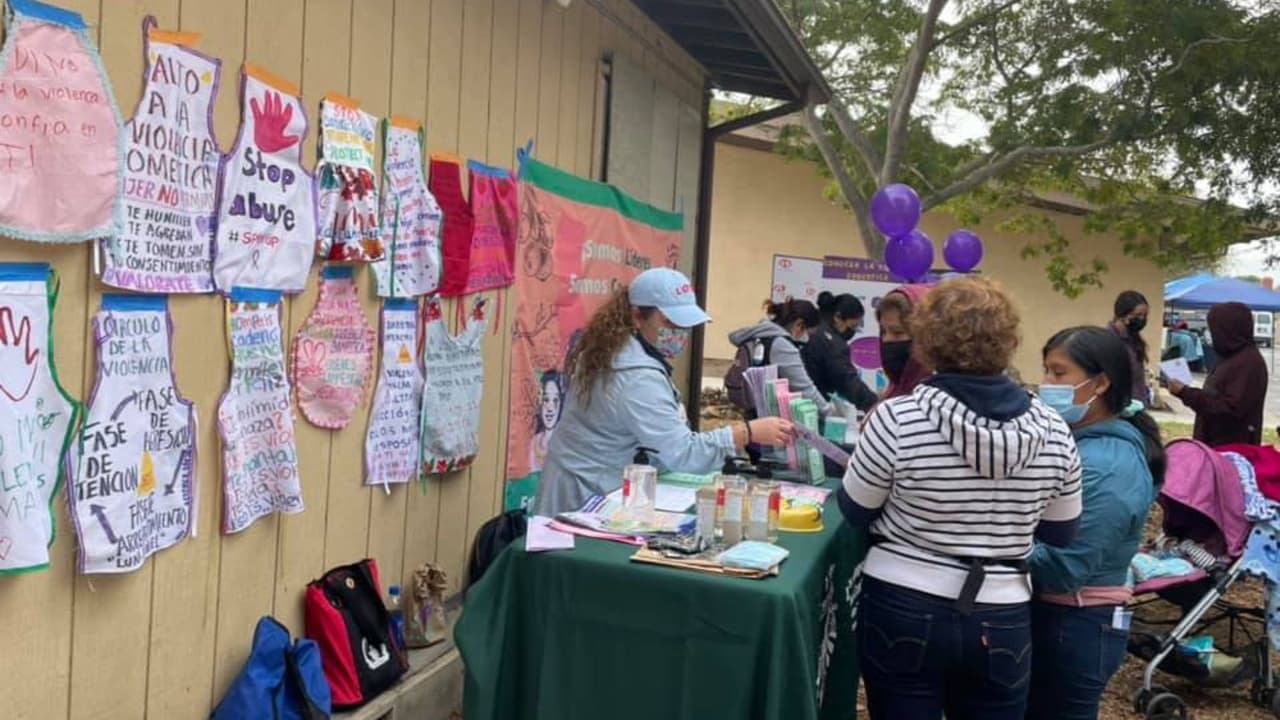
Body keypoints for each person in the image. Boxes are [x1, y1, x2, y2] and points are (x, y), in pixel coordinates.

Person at [838, 278, 1082, 720]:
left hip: (904, 599)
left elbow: (855, 508)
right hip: (1003, 608)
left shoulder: (898, 417)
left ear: (926, 341)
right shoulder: (1054, 429)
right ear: (1009, 340)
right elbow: (1061, 531)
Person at [533, 268, 793, 516]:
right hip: (583, 500)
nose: (678, 331)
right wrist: (746, 432)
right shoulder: (634, 375)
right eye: (669, 321)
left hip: (585, 485)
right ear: (637, 316)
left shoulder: (619, 352)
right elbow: (682, 452)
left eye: (684, 324)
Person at [1027, 326, 1164, 720]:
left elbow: (1065, 568)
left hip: (1075, 624)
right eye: (1046, 372)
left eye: (1058, 373)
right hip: (1062, 619)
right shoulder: (1082, 445)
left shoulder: (1107, 467)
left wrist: (997, 537)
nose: (1046, 384)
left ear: (1100, 383)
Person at [1165, 301, 1268, 446]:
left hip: (1231, 451)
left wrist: (1186, 393)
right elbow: (1216, 395)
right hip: (1213, 444)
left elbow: (1228, 410)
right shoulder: (1230, 356)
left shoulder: (1249, 363)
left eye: (1215, 330)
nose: (1212, 335)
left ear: (1229, 330)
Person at [728, 298, 832, 416]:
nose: (807, 339)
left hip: (753, 408)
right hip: (768, 414)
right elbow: (804, 388)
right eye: (809, 334)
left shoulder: (760, 334)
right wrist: (829, 412)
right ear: (799, 324)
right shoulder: (781, 345)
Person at [803, 293, 877, 411]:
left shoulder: (810, 326)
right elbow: (847, 381)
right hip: (812, 405)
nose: (852, 331)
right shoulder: (833, 344)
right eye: (852, 326)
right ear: (837, 317)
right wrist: (874, 405)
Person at [876, 285, 932, 399]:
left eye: (898, 333)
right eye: (883, 332)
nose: (887, 340)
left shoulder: (939, 403)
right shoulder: (892, 393)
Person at [1110, 290, 1150, 405]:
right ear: (1123, 314)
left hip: (1137, 404)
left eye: (1145, 315)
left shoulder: (1134, 339)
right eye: (1138, 315)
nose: (1142, 319)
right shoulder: (1108, 340)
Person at [528, 369, 564, 472]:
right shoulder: (533, 444)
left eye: (555, 400)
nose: (550, 407)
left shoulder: (566, 444)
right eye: (546, 399)